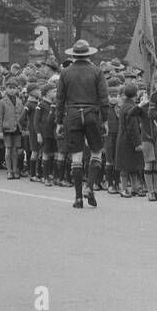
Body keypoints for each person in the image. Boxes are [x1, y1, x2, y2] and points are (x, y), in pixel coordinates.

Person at [56, 39, 111, 209]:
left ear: (73, 54)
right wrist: (106, 119)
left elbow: (60, 99)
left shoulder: (65, 73)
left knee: (76, 156)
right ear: (89, 54)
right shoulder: (96, 71)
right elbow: (104, 98)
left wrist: (59, 121)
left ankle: (78, 197)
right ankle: (90, 186)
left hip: (72, 114)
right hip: (91, 114)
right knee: (96, 151)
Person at [0, 79, 22, 179]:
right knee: (8, 149)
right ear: (6, 89)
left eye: (14, 88)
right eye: (10, 88)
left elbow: (21, 115)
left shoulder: (19, 101)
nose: (12, 90)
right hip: (6, 129)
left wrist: (23, 128)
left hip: (17, 128)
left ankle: (15, 169)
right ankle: (9, 170)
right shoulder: (2, 102)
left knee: (15, 150)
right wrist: (0, 131)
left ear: (17, 89)